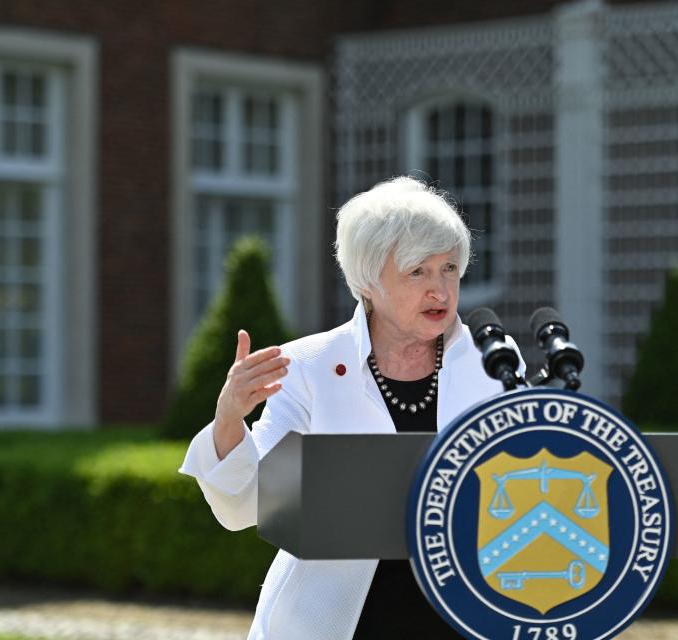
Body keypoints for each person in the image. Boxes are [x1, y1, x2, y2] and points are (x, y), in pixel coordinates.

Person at [178, 176, 523, 639]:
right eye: (418, 272)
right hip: (333, 623)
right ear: (369, 280)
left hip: (466, 618)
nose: (440, 290)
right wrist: (228, 419)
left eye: (449, 269)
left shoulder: (494, 360)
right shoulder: (306, 367)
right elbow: (244, 507)